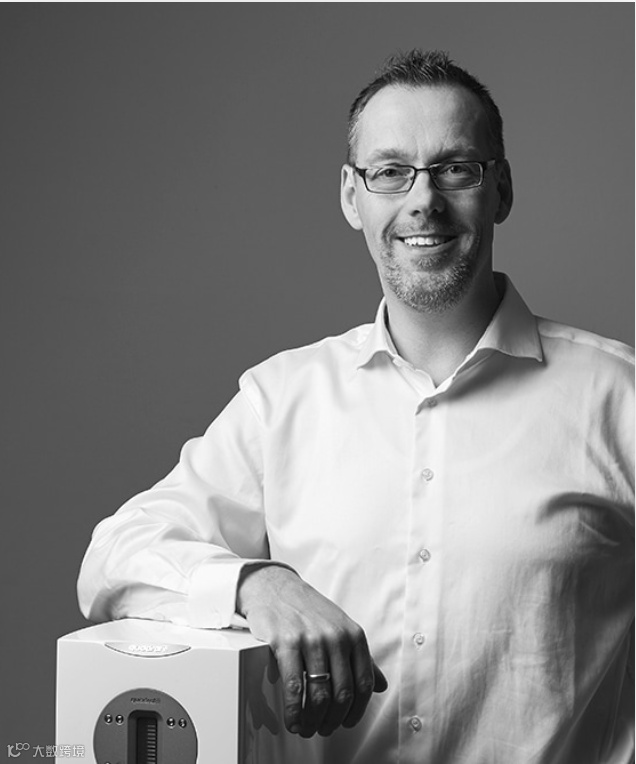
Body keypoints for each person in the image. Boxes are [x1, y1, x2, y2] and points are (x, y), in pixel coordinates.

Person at [77, 50, 634, 764]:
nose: (423, 201)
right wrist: (258, 584)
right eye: (390, 171)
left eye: (455, 169)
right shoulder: (282, 399)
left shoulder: (619, 398)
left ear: (500, 190)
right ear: (351, 196)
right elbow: (114, 558)